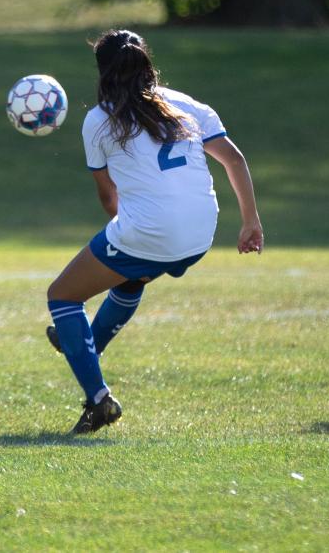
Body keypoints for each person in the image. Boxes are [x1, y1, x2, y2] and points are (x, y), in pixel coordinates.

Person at [45, 30, 263, 434]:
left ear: (102, 71)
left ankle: (97, 398)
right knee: (129, 281)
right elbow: (233, 160)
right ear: (147, 62)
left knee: (62, 295)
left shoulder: (99, 120)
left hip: (151, 233)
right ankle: (83, 347)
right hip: (201, 234)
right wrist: (250, 220)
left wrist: (129, 226)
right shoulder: (188, 105)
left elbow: (108, 199)